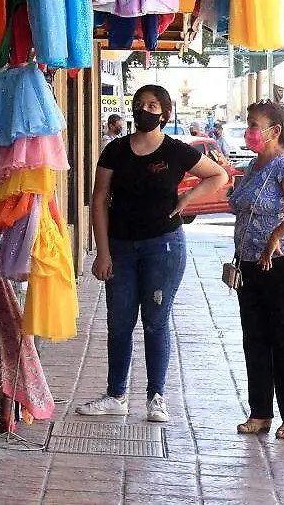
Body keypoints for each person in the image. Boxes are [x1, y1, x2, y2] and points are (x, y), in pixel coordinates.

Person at [79, 85, 229, 422]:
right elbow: (99, 198)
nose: (144, 110)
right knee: (118, 323)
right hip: (119, 247)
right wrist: (102, 251)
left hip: (163, 246)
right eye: (139, 104)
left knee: (156, 322)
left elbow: (218, 175)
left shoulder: (176, 151)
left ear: (165, 111)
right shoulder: (115, 150)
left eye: (152, 105)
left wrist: (187, 200)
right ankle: (116, 394)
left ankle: (156, 397)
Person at [229, 101, 284, 440]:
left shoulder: (283, 166)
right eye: (248, 122)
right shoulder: (253, 165)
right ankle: (260, 411)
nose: (249, 129)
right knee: (255, 338)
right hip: (248, 263)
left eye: (254, 124)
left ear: (274, 131)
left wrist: (278, 235)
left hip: (277, 263)